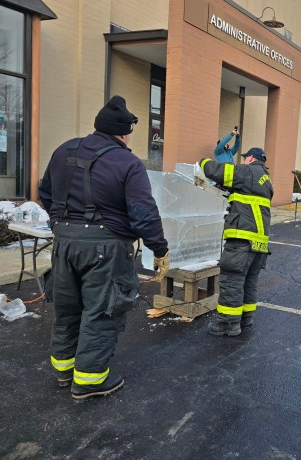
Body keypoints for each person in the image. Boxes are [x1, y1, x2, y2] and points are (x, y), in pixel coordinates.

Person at [39, 95, 169, 401]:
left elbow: (45, 190)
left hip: (64, 244)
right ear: (123, 134)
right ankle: (89, 381)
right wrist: (159, 250)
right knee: (101, 311)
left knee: (67, 309)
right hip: (106, 249)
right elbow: (144, 214)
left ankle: (63, 370)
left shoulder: (63, 150)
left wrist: (61, 222)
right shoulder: (127, 162)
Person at [199, 147, 273, 336]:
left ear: (250, 158)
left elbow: (219, 171)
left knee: (231, 281)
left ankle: (227, 324)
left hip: (242, 239)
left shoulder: (248, 171)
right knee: (248, 281)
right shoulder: (265, 179)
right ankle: (245, 318)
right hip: (259, 243)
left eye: (245, 158)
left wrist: (203, 162)